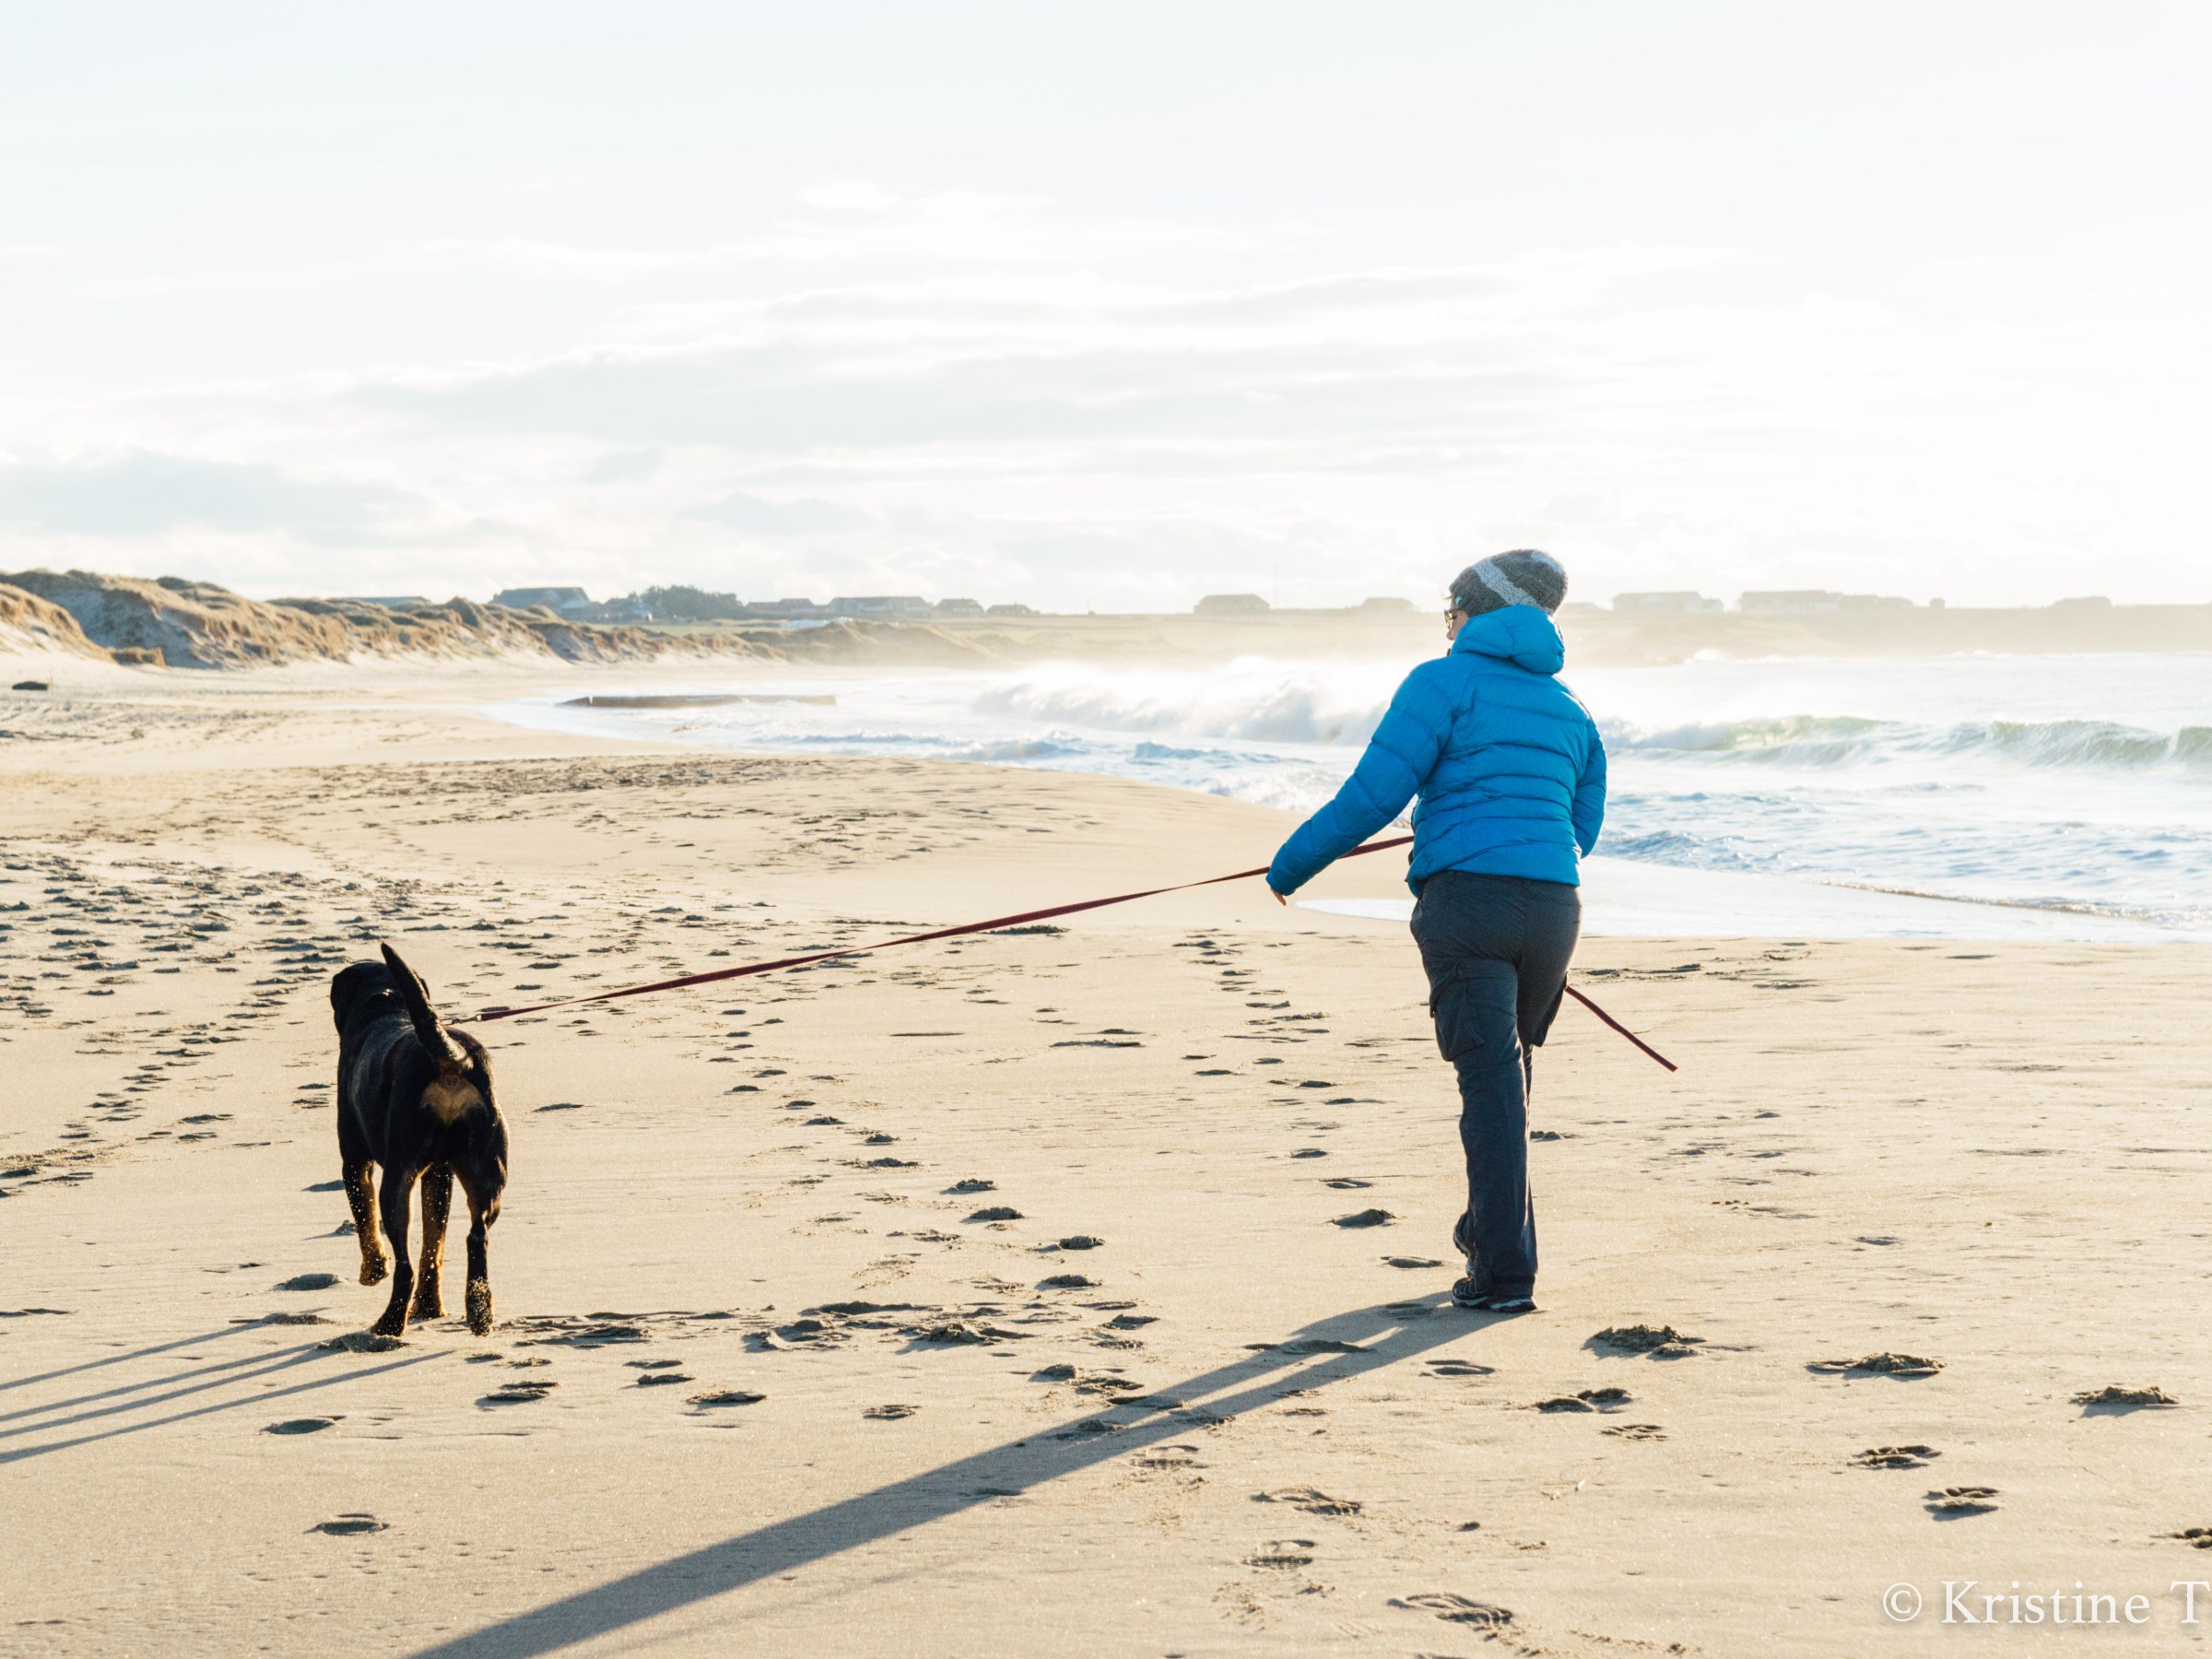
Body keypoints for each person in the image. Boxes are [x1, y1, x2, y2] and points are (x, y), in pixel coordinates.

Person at [1265, 549, 1606, 1313]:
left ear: (1474, 611)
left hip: (1469, 907)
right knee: (1505, 1082)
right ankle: (1488, 1230)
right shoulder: (1571, 706)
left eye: (1449, 608)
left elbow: (1373, 793)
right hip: (1555, 909)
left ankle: (1504, 1276)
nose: (1445, 623)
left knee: (1490, 1084)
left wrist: (1288, 870)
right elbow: (1581, 827)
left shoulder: (1440, 681)